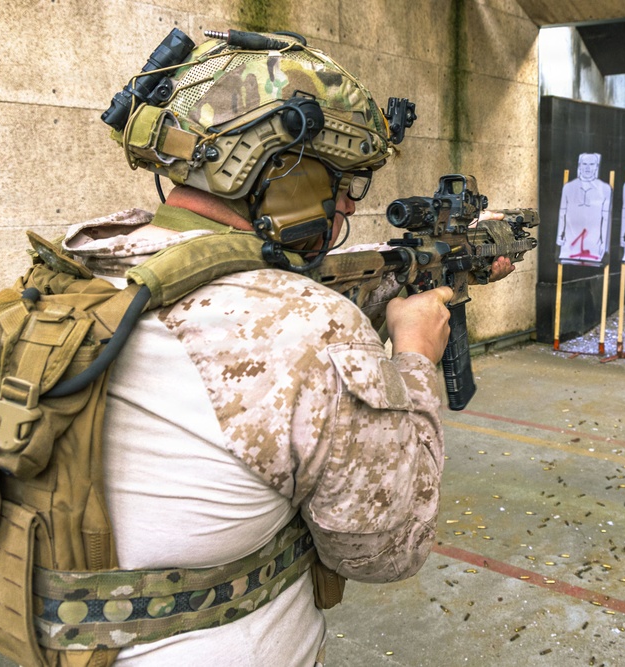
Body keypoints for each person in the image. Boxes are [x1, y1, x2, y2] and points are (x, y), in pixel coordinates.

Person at [47, 30, 513, 666]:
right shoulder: (313, 329)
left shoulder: (82, 264)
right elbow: (386, 550)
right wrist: (415, 358)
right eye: (344, 181)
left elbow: (276, 298)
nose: (349, 203)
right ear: (277, 170)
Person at [556, 152, 613, 265]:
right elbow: (562, 214)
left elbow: (605, 218)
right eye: (584, 164)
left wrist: (604, 243)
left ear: (596, 166)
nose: (587, 167)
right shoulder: (568, 187)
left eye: (591, 164)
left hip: (594, 239)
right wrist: (560, 237)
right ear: (579, 165)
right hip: (571, 239)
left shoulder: (605, 189)